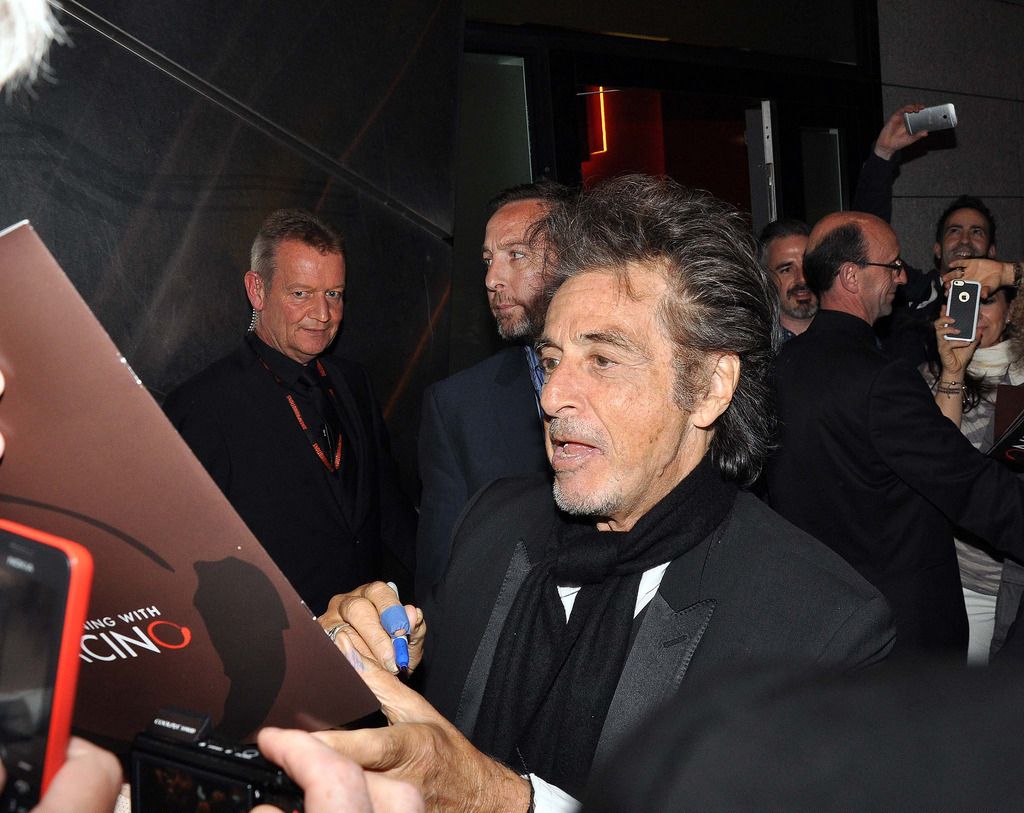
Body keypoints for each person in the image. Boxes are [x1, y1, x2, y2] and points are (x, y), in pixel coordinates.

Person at [317, 176, 894, 812]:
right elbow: (421, 740)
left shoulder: (817, 632)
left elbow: (464, 781)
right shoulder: (493, 526)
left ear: (708, 387)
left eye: (602, 360)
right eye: (553, 357)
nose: (552, 397)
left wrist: (506, 803)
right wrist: (371, 654)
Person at [767, 211, 1024, 657]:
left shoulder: (777, 369)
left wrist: (951, 373)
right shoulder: (881, 379)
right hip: (896, 629)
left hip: (818, 619)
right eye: (892, 266)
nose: (903, 277)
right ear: (851, 276)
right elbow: (968, 485)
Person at [164, 209, 415, 613]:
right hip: (278, 641)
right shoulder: (202, 407)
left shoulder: (353, 382)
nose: (322, 314)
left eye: (333, 294)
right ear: (257, 291)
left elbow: (388, 508)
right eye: (301, 293)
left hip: (370, 630)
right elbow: (190, 555)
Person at [416, 181, 573, 599]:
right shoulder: (458, 407)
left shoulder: (637, 379)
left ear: (571, 259)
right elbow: (439, 580)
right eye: (487, 260)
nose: (491, 279)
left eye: (515, 255)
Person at [757, 218, 815, 342]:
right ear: (765, 278)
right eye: (786, 270)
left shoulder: (848, 338)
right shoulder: (757, 347)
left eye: (808, 265)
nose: (802, 279)